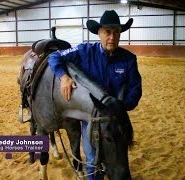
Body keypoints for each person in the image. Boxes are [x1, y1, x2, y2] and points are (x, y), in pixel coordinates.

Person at [48, 10, 142, 180]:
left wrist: (121, 106)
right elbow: (54, 56)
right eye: (107, 32)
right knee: (92, 158)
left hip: (116, 119)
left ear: (120, 33)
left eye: (116, 32)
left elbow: (136, 89)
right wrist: (63, 77)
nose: (112, 37)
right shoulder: (84, 51)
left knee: (119, 158)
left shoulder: (129, 59)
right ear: (98, 32)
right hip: (91, 117)